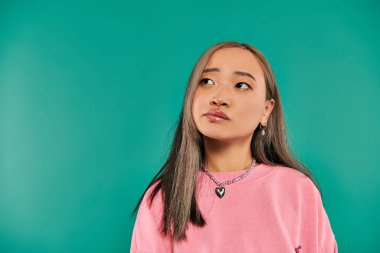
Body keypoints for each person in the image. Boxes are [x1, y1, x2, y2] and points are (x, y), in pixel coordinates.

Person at [130, 41, 338, 253]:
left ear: (267, 110)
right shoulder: (163, 197)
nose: (218, 98)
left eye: (241, 85)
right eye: (206, 81)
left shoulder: (298, 190)